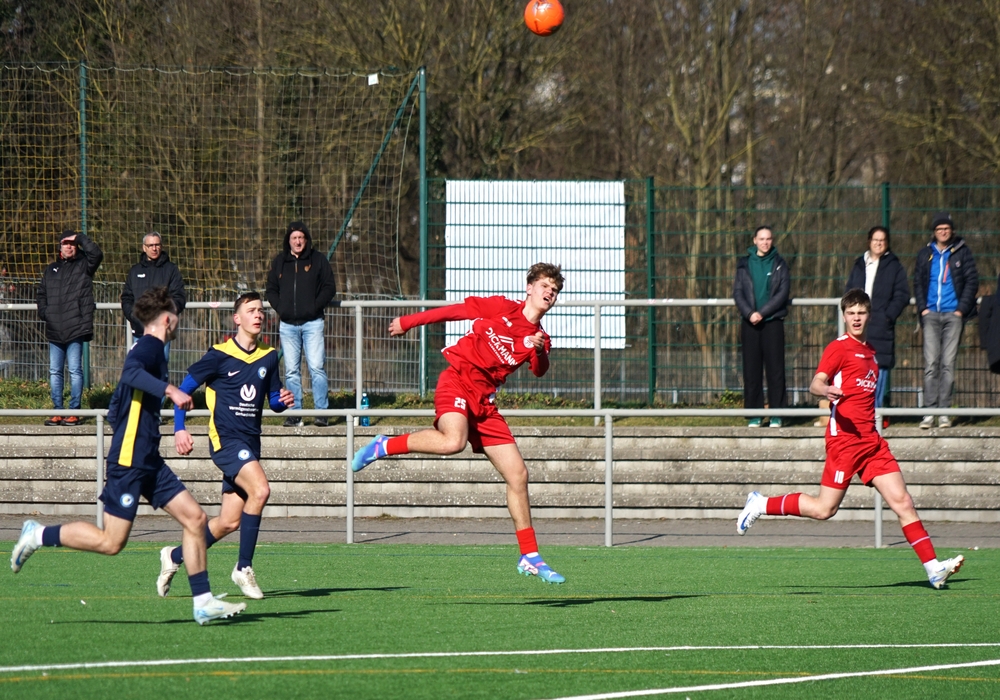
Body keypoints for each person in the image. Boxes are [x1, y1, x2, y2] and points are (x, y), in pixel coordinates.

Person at [10, 287, 246, 624]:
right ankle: (37, 534)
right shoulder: (150, 347)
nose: (179, 322)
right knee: (111, 542)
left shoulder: (151, 348)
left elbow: (117, 406)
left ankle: (203, 602)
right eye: (177, 316)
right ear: (167, 319)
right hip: (130, 460)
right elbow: (130, 374)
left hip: (147, 458)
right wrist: (171, 390)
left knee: (195, 519)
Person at [352, 263, 566, 584]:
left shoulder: (541, 337)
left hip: (485, 403)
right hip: (457, 380)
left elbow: (539, 370)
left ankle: (529, 556)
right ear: (529, 288)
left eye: (555, 290)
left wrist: (537, 351)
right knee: (453, 441)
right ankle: (384, 445)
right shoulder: (500, 307)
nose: (549, 292)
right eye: (545, 286)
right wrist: (409, 322)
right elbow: (455, 311)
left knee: (518, 475)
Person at [736, 288, 965, 589]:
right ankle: (761, 504)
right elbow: (815, 383)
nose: (856, 318)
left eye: (861, 313)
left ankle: (933, 568)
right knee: (824, 510)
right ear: (844, 316)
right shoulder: (838, 348)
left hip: (872, 443)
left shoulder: (871, 353)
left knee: (903, 502)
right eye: (851, 313)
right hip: (844, 441)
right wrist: (826, 390)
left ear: (869, 315)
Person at [157, 291, 294, 600]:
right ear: (237, 318)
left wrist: (282, 401)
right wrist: (179, 429)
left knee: (229, 522)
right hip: (225, 442)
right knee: (261, 490)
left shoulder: (269, 356)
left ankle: (174, 556)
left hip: (250, 444)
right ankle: (243, 568)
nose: (258, 315)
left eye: (261, 310)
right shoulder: (218, 355)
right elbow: (182, 392)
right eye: (251, 310)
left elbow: (273, 400)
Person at [265, 221, 336, 427]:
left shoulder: (318, 260)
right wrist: (282, 308)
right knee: (291, 372)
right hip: (288, 325)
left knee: (317, 368)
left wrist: (314, 307)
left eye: (301, 238)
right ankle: (295, 414)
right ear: (288, 240)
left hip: (313, 323)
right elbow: (271, 289)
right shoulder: (280, 262)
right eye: (294, 238)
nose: (298, 242)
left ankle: (321, 413)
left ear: (306, 240)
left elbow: (329, 287)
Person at [913, 212, 978, 429]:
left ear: (952, 230)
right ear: (934, 231)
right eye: (939, 228)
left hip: (953, 315)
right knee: (931, 364)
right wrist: (923, 309)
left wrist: (961, 310)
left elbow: (972, 281)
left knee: (948, 364)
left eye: (946, 228)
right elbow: (917, 282)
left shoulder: (962, 252)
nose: (943, 231)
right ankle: (929, 412)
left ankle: (944, 412)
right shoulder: (925, 254)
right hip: (930, 314)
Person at [36, 229, 103, 427]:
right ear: (60, 247)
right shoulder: (51, 269)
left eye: (72, 244)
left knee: (75, 370)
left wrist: (80, 237)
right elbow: (41, 294)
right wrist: (45, 313)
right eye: (65, 243)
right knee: (55, 371)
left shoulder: (84, 265)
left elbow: (97, 254)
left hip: (76, 327)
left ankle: (74, 412)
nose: (68, 247)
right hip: (54, 327)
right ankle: (58, 411)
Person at [845, 226, 910, 414]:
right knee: (856, 367)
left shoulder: (894, 266)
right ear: (869, 241)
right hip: (858, 324)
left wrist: (887, 316)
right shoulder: (859, 264)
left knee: (878, 369)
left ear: (887, 243)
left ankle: (875, 416)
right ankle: (858, 414)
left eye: (882, 240)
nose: (879, 243)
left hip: (881, 326)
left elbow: (902, 294)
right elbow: (849, 291)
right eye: (875, 240)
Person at [733, 225, 790, 428]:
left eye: (768, 239)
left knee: (775, 370)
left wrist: (762, 313)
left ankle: (777, 414)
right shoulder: (744, 264)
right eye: (762, 239)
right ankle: (754, 415)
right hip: (749, 324)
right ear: (754, 240)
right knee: (751, 370)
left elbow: (782, 293)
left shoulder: (780, 264)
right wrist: (750, 313)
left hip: (772, 322)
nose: (765, 242)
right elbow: (738, 292)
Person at [121, 231, 187, 359]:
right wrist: (133, 315)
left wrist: (165, 316)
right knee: (139, 365)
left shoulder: (171, 270)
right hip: (139, 330)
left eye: (157, 245)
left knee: (159, 366)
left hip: (162, 332)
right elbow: (127, 297)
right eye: (150, 245)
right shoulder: (135, 271)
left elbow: (179, 296)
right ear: (144, 247)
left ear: (161, 246)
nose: (154, 248)